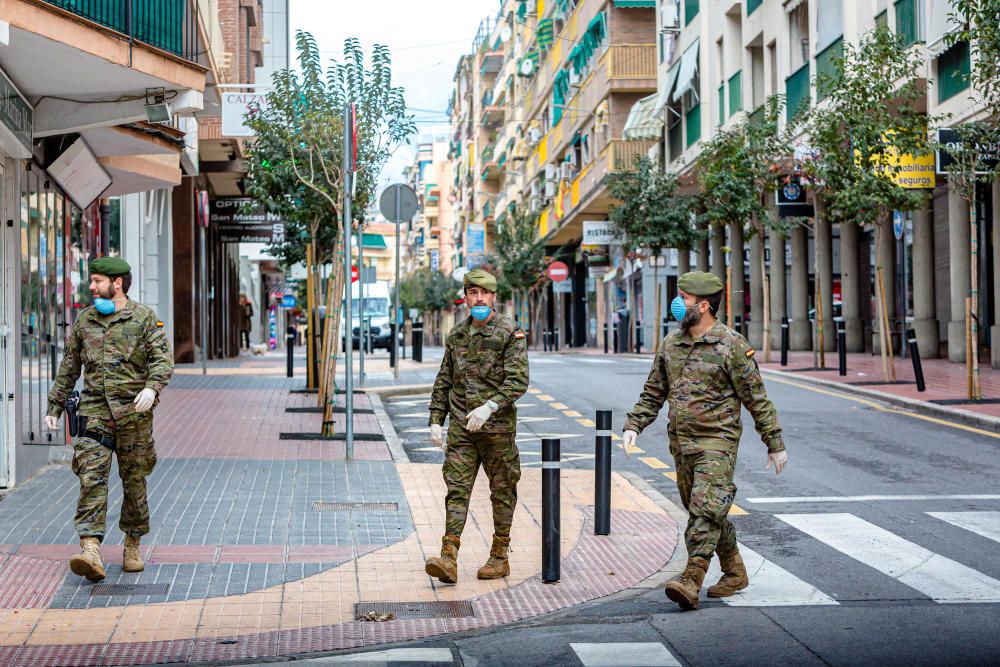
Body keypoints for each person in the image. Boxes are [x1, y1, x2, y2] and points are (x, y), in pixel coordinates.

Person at [622, 271, 788, 610]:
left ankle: (691, 578)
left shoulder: (732, 345)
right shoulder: (672, 344)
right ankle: (735, 572)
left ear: (704, 304)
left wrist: (775, 441)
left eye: (682, 298)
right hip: (681, 443)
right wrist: (634, 425)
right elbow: (654, 391)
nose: (677, 304)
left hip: (718, 441)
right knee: (705, 510)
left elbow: (756, 397)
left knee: (705, 508)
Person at [45, 257, 174, 582]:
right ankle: (90, 549)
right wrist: (54, 407)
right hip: (94, 415)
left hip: (134, 417)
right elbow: (70, 366)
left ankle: (132, 544)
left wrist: (151, 388)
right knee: (91, 479)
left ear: (117, 284)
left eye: (98, 281)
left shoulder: (144, 318)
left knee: (134, 483)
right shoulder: (85, 320)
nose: (91, 287)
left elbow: (162, 359)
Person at [424, 268, 529, 584]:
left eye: (484, 293)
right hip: (462, 429)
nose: (479, 298)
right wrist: (434, 419)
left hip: (497, 430)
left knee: (502, 490)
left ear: (493, 297)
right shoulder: (457, 334)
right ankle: (448, 556)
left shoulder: (510, 332)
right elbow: (445, 379)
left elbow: (518, 380)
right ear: (466, 298)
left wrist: (490, 406)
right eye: (473, 293)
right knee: (456, 490)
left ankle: (499, 556)